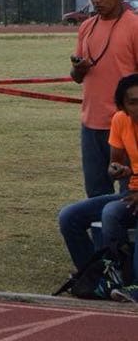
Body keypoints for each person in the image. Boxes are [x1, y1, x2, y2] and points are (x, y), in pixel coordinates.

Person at [58, 73, 138, 296]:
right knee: (69, 216)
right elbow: (115, 163)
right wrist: (117, 169)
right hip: (132, 192)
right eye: (133, 102)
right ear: (122, 107)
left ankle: (132, 283)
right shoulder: (120, 121)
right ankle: (96, 276)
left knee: (112, 212)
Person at [69, 0, 138, 196]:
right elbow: (77, 77)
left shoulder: (134, 26)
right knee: (96, 194)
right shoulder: (86, 27)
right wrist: (79, 69)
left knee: (130, 194)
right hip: (91, 124)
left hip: (126, 124)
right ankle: (101, 233)